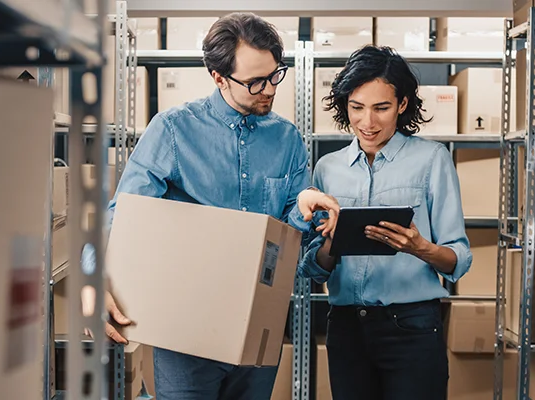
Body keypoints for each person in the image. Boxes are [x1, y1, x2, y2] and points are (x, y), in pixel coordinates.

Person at [82, 12, 340, 400]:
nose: (269, 89)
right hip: (187, 332)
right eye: (254, 82)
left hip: (259, 328)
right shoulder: (172, 130)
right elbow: (121, 216)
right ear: (219, 78)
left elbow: (289, 245)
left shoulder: (288, 141)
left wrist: (302, 208)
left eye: (275, 75)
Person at [298, 45, 473, 400]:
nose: (368, 122)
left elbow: (459, 259)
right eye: (357, 108)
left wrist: (420, 248)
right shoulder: (327, 169)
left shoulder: (432, 159)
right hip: (346, 328)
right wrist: (332, 241)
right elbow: (314, 270)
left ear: (403, 104)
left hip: (412, 326)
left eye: (381, 108)